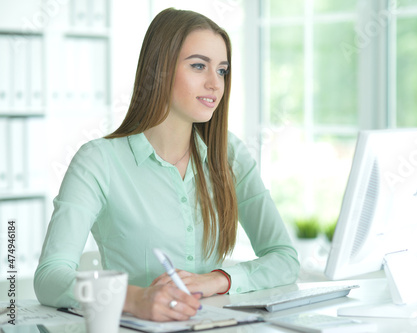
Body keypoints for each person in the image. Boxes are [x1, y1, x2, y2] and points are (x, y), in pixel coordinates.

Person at [34, 7, 299, 322]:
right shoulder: (98, 161)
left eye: (222, 70)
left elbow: (285, 258)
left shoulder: (229, 153)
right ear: (158, 70)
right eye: (199, 66)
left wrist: (217, 279)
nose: (215, 84)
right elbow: (49, 277)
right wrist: (135, 298)